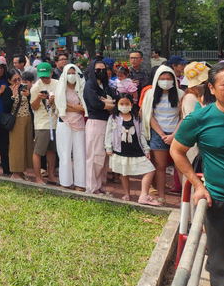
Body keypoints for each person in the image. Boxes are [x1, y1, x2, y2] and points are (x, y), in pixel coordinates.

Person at [171, 62, 224, 286]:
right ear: (212, 89)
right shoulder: (200, 119)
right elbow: (176, 151)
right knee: (223, 270)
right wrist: (197, 185)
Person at [141, 65, 184, 205]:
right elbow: (148, 116)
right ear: (157, 80)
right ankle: (161, 196)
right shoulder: (150, 94)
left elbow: (183, 117)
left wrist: (173, 135)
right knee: (160, 166)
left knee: (180, 165)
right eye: (162, 79)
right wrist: (161, 134)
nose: (166, 81)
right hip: (158, 134)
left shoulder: (180, 95)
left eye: (169, 79)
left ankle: (186, 196)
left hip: (177, 134)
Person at [105, 94, 157, 205]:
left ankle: (143, 194)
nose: (124, 106)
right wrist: (108, 147)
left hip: (136, 150)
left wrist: (146, 150)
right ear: (117, 105)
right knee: (124, 173)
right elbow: (109, 133)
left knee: (150, 170)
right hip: (120, 151)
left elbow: (142, 134)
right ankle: (127, 194)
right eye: (121, 104)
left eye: (127, 104)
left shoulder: (137, 119)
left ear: (131, 104)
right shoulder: (113, 118)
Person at [83, 59, 117, 195]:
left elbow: (118, 100)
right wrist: (111, 104)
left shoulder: (106, 87)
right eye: (98, 70)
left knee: (104, 158)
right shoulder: (89, 85)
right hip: (95, 122)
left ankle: (101, 187)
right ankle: (92, 188)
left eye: (103, 70)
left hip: (107, 123)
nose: (101, 72)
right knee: (94, 156)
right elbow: (96, 104)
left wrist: (108, 103)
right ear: (92, 70)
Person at [54, 63, 87, 191]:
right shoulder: (60, 87)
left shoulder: (82, 87)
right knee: (64, 153)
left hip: (79, 123)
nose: (71, 76)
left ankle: (80, 183)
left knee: (80, 154)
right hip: (64, 122)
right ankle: (65, 182)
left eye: (73, 73)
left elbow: (84, 107)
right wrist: (75, 107)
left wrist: (69, 106)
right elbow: (59, 105)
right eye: (69, 73)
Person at [30, 62, 59, 185]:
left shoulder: (57, 84)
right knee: (38, 151)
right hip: (42, 124)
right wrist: (38, 98)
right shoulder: (36, 87)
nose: (45, 79)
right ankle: (38, 178)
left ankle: (51, 176)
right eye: (42, 77)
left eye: (47, 76)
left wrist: (53, 100)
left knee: (52, 151)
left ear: (52, 73)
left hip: (55, 122)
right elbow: (34, 107)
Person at [7, 69, 33, 180]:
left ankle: (22, 170)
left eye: (19, 79)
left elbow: (30, 103)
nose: (18, 82)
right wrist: (13, 96)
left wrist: (28, 95)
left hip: (27, 119)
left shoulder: (24, 88)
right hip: (16, 120)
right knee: (16, 147)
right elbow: (6, 107)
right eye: (14, 80)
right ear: (9, 81)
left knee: (26, 145)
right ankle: (15, 172)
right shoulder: (8, 90)